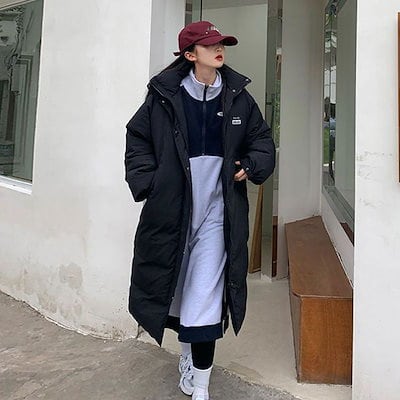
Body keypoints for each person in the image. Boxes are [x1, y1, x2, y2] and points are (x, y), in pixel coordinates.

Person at [125, 20, 275, 400]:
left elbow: (261, 140)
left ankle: (202, 387)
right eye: (210, 45)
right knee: (178, 292)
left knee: (205, 295)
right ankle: (188, 358)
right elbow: (137, 139)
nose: (219, 49)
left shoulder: (238, 98)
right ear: (191, 55)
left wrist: (251, 165)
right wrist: (150, 183)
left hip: (218, 213)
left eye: (221, 43)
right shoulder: (164, 96)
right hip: (173, 210)